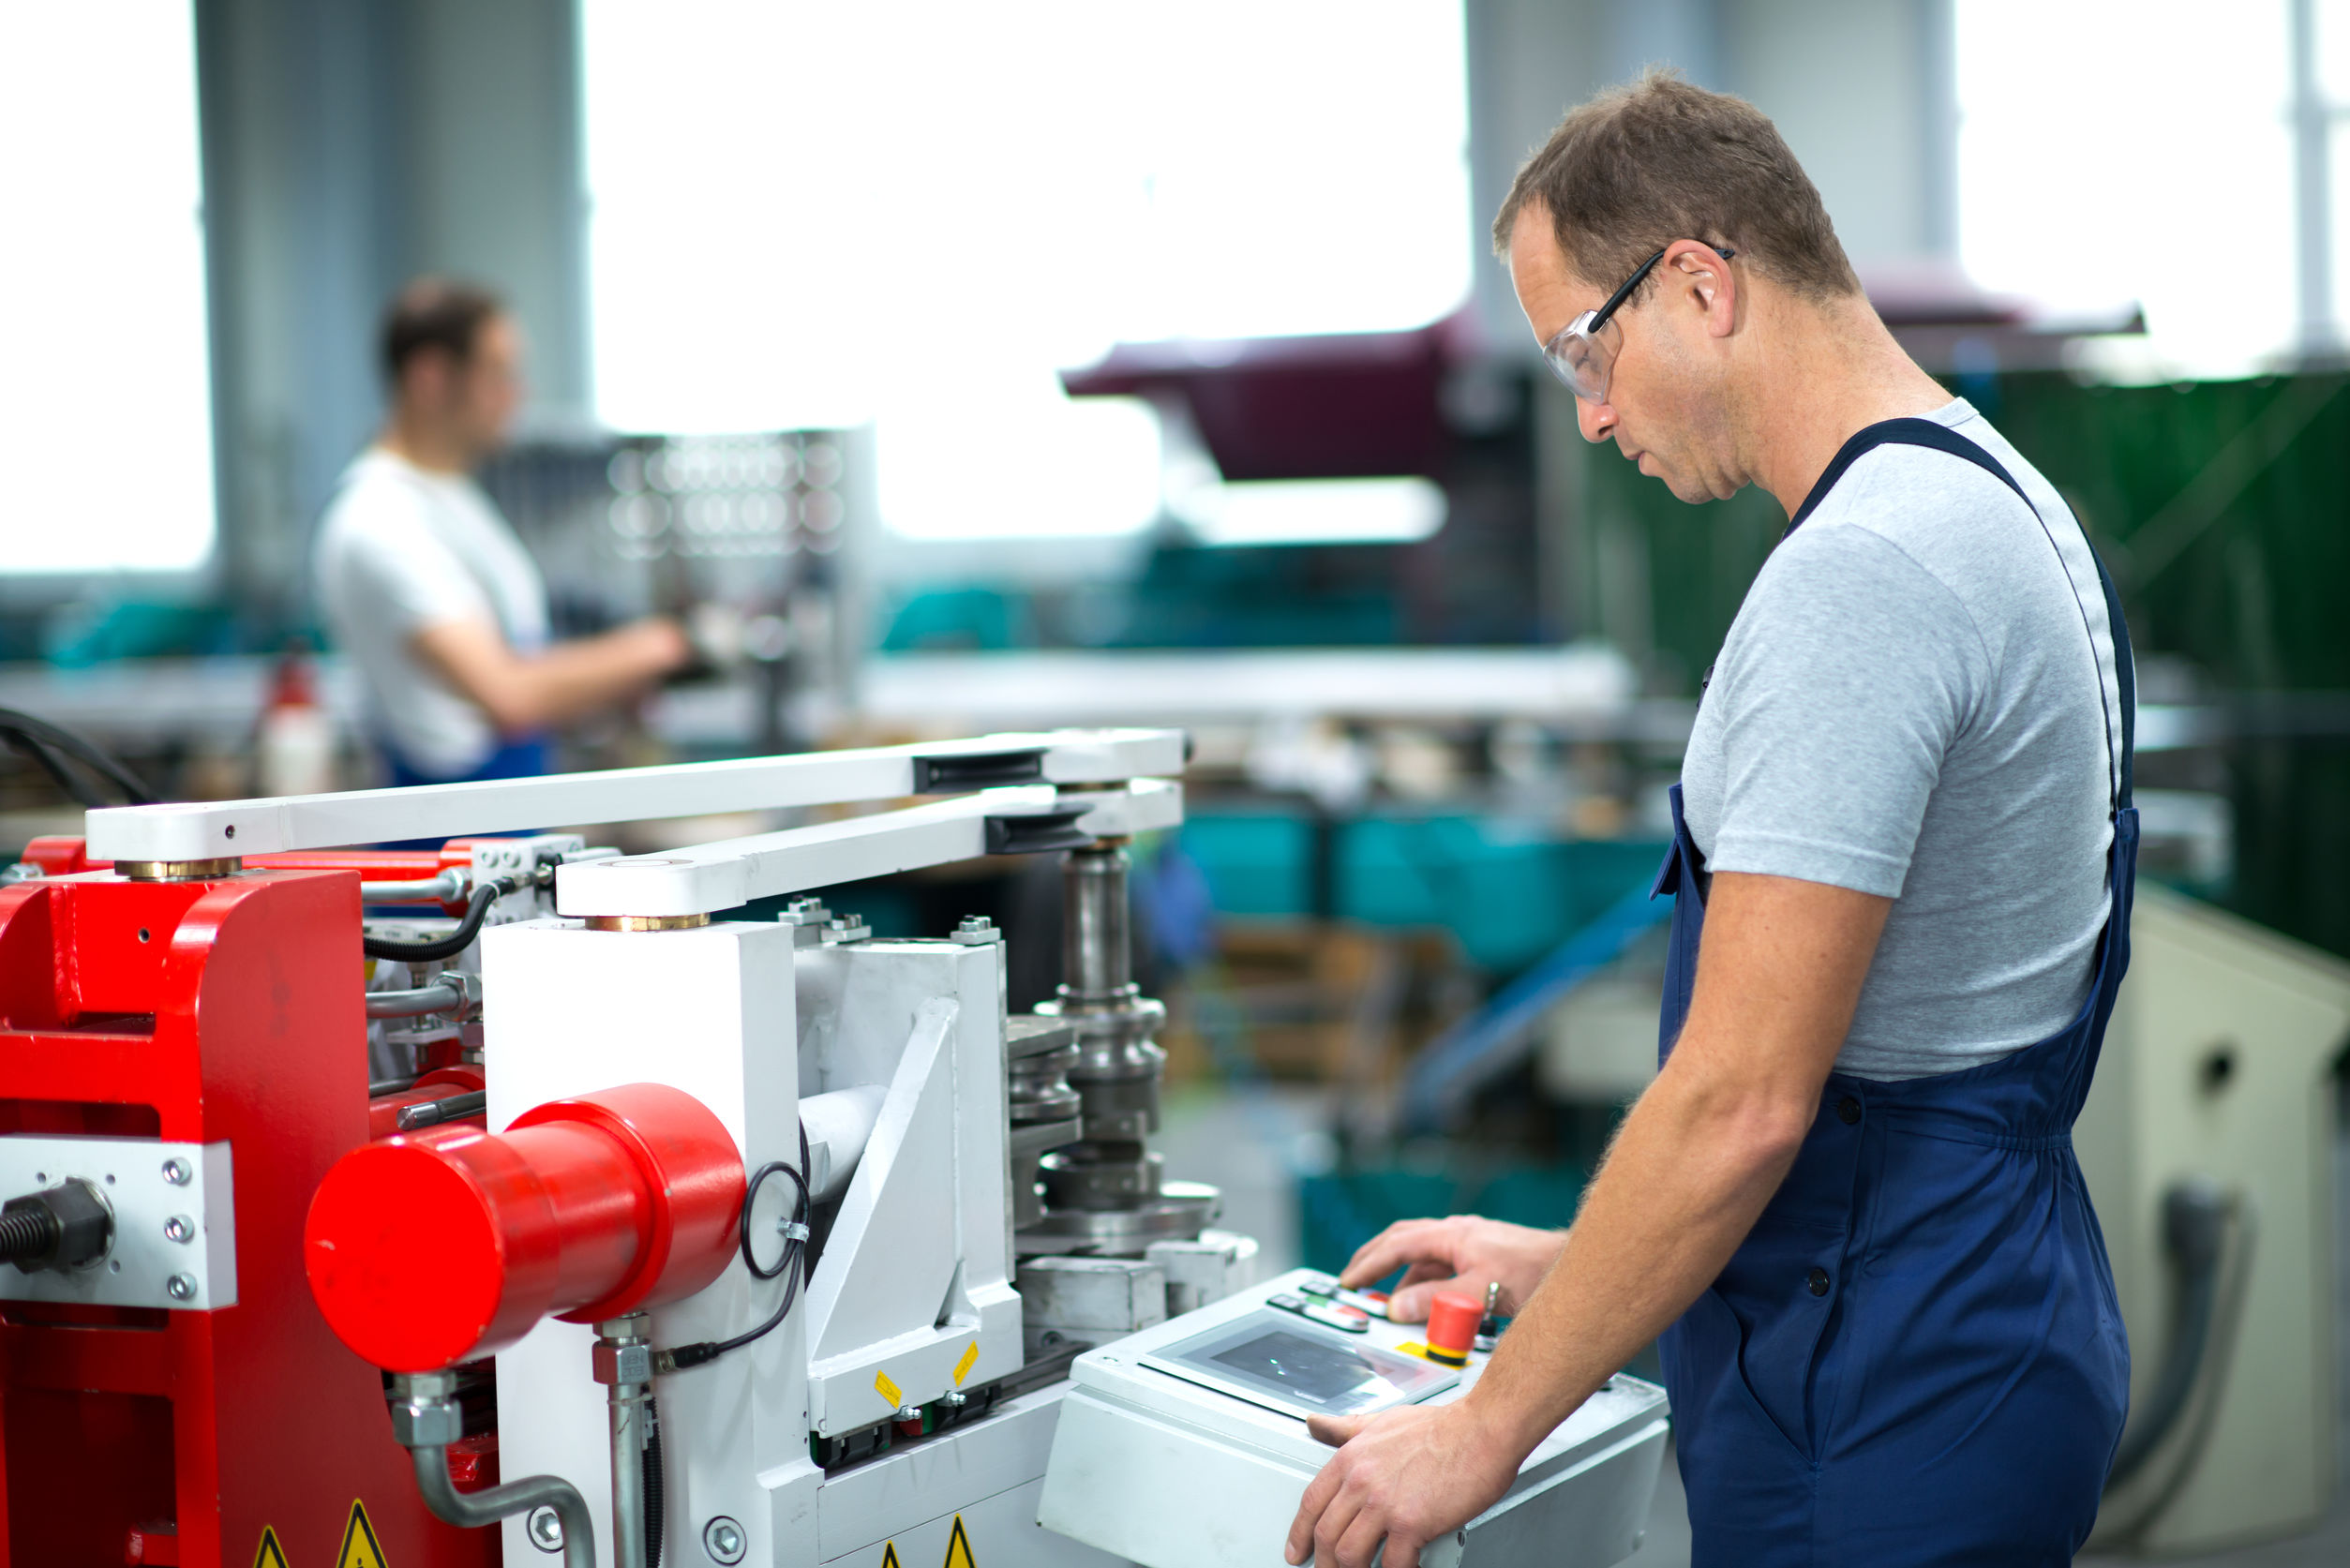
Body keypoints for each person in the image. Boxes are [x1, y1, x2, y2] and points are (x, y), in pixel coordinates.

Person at [1287, 71, 2134, 1568]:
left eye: (1583, 349)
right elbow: (1887, 1065)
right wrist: (1573, 1265)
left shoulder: (1864, 574)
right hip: (1966, 1317)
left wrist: (1477, 1431)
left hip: (1876, 1385)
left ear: (1696, 283)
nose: (1592, 415)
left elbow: (1743, 1105)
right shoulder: (1987, 494)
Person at [314, 277, 694, 786]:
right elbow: (508, 694)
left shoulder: (452, 493)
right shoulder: (377, 520)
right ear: (430, 377)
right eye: (498, 372)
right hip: (449, 819)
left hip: (505, 805)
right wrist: (656, 648)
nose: (517, 393)